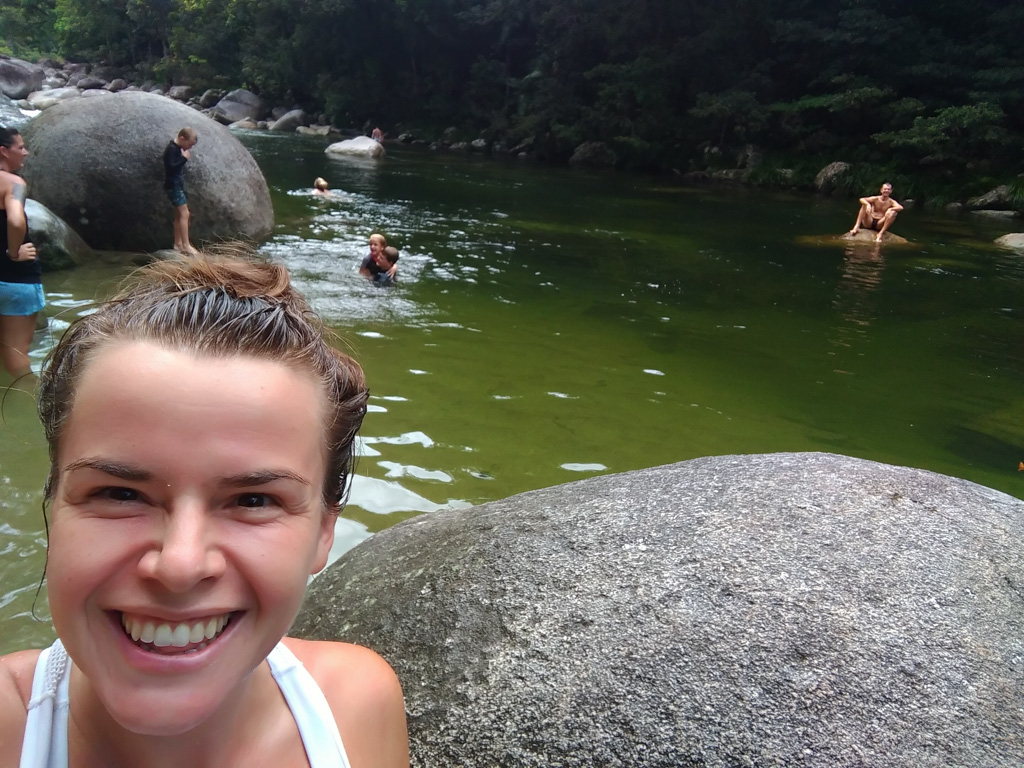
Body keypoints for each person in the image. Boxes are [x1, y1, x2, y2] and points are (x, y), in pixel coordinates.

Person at [0, 249, 410, 767]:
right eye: (120, 494)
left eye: (253, 501)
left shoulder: (356, 706)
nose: (179, 565)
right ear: (54, 506)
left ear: (325, 531)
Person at [0, 126, 41, 387]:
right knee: (17, 357)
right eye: (20, 147)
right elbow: (15, 221)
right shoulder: (13, 183)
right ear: (3, 151)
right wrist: (14, 252)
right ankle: (39, 413)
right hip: (14, 280)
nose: (25, 153)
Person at [163, 127, 199, 255]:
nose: (188, 148)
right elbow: (171, 167)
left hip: (175, 185)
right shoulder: (172, 149)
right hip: (174, 186)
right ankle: (186, 245)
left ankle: (177, 244)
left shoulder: (176, 148)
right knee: (185, 214)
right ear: (182, 138)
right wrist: (184, 159)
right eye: (189, 145)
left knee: (179, 216)